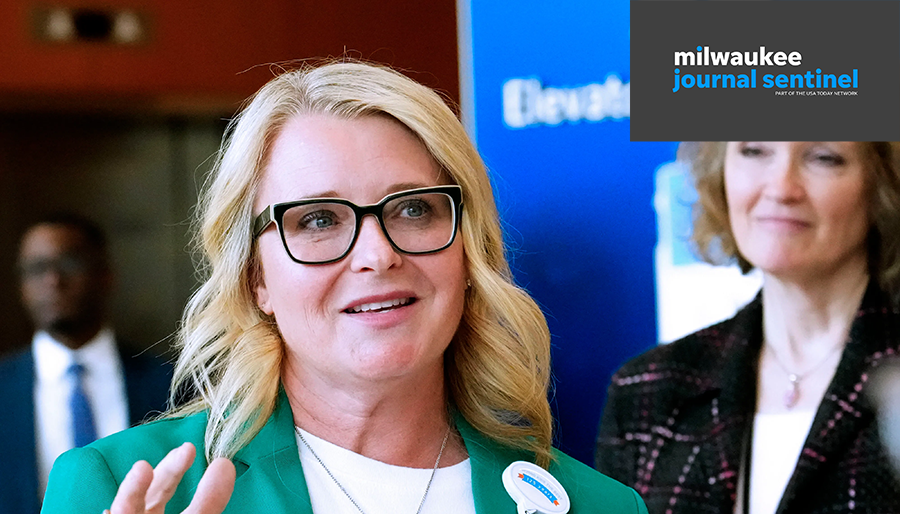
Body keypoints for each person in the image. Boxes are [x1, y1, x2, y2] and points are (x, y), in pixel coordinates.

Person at [41, 62, 647, 514]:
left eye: (413, 210)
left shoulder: (600, 506)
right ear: (256, 278)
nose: (379, 254)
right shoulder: (117, 484)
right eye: (319, 220)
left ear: (469, 250)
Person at [596, 141, 900, 514]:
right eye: (754, 152)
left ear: (884, 185)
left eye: (823, 158)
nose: (781, 188)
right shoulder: (646, 391)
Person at [0, 214, 172, 514]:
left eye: (69, 263)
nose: (53, 280)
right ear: (21, 286)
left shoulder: (169, 382)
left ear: (105, 274)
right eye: (37, 268)